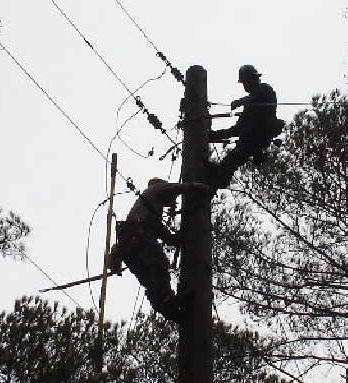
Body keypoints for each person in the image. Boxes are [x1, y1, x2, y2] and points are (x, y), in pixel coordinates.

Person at [109, 177, 209, 323]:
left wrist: (181, 236)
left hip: (129, 249)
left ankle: (166, 307)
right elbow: (175, 188)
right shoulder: (153, 191)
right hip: (137, 238)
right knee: (159, 265)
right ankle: (166, 300)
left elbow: (168, 238)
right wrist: (198, 186)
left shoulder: (148, 212)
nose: (172, 201)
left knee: (150, 281)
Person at [208, 64, 285, 189]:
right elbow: (236, 129)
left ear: (253, 80)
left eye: (246, 82)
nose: (245, 86)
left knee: (230, 163)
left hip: (258, 138)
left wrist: (241, 101)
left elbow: (259, 96)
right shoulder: (249, 107)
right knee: (228, 164)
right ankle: (216, 180)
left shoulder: (266, 90)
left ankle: (218, 178)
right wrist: (213, 135)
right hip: (249, 141)